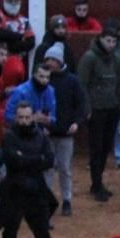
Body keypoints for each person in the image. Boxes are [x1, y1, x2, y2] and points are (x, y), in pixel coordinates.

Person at [0, 102, 63, 238]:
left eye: (27, 117)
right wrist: (36, 160)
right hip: (15, 193)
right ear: (15, 118)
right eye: (20, 117)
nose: (24, 121)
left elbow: (49, 160)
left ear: (32, 117)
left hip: (36, 193)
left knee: (43, 235)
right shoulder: (9, 136)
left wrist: (24, 159)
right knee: (9, 236)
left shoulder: (40, 136)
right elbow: (13, 160)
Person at [78, 28, 120, 202]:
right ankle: (96, 183)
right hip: (96, 109)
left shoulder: (118, 59)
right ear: (100, 39)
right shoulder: (89, 58)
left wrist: (119, 104)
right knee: (96, 147)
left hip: (112, 108)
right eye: (108, 41)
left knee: (106, 146)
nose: (111, 45)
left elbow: (119, 83)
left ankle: (98, 182)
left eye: (114, 42)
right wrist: (87, 108)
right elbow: (82, 85)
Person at [41, 48, 84, 217]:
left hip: (65, 132)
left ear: (59, 61)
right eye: (48, 59)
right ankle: (47, 200)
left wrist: (76, 122)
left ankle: (67, 200)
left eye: (52, 59)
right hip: (47, 132)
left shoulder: (72, 81)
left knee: (65, 168)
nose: (49, 62)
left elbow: (80, 104)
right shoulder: (43, 79)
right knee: (48, 168)